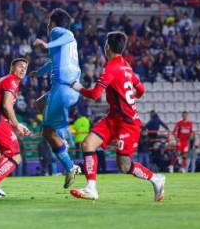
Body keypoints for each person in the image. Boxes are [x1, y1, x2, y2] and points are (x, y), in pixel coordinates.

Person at [69, 31, 165, 202]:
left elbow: (95, 94)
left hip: (128, 123)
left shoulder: (111, 68)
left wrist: (77, 87)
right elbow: (141, 90)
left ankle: (156, 179)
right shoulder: (126, 66)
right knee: (88, 143)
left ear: (107, 47)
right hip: (113, 118)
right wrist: (129, 99)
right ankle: (91, 188)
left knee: (124, 165)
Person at [32, 9, 81, 188]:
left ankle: (69, 164)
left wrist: (46, 44)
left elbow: (68, 36)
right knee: (40, 103)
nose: (47, 25)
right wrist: (39, 72)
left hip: (62, 87)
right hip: (71, 88)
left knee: (47, 132)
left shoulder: (58, 33)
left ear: (53, 22)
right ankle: (63, 138)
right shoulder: (64, 46)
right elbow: (53, 62)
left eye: (48, 21)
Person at [0, 58, 31, 198]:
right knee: (15, 155)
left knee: (7, 153)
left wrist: (14, 126)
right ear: (12, 67)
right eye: (20, 66)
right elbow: (7, 106)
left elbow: (3, 107)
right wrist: (17, 125)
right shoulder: (11, 81)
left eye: (25, 68)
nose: (23, 69)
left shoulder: (6, 80)